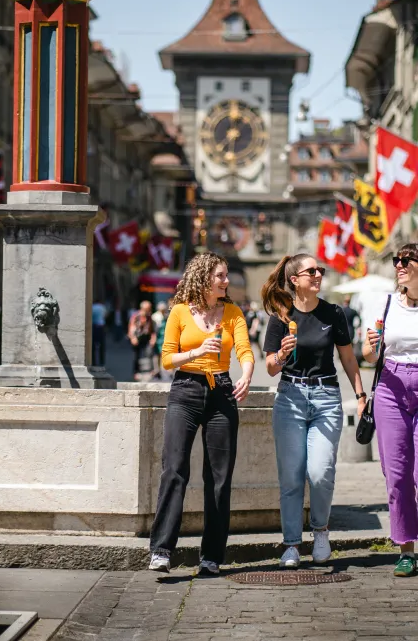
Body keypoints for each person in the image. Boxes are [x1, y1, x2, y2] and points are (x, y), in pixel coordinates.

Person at [149, 252, 254, 575]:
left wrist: (247, 374)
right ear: (204, 278)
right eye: (221, 276)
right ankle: (162, 550)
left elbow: (244, 350)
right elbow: (166, 360)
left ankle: (211, 556)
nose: (226, 281)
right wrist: (196, 351)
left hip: (222, 392)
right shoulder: (180, 311)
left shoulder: (233, 313)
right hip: (185, 391)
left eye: (226, 276)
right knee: (175, 469)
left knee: (219, 478)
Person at [262, 253, 365, 569]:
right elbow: (269, 368)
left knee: (320, 472)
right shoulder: (281, 316)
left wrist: (361, 395)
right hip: (290, 398)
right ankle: (291, 544)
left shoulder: (333, 313)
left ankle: (321, 531)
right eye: (312, 271)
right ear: (295, 279)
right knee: (291, 477)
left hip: (326, 398)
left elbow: (348, 359)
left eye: (320, 270)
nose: (319, 274)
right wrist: (281, 354)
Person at [363, 244, 418, 577]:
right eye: (396, 260)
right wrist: (370, 347)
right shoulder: (385, 303)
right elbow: (371, 356)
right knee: (397, 476)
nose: (398, 265)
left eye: (405, 260)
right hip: (391, 389)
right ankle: (406, 550)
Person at [127, 301, 156, 380]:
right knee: (136, 355)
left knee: (149, 352)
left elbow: (152, 329)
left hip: (146, 337)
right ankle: (136, 372)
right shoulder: (136, 316)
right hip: (137, 338)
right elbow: (131, 327)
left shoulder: (149, 317)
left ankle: (151, 371)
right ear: (143, 308)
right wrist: (133, 338)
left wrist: (153, 338)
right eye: (148, 309)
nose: (149, 310)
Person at [91, 299, 107, 366]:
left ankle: (94, 362)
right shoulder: (102, 307)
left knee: (93, 346)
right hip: (101, 326)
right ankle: (102, 362)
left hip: (94, 326)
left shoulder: (92, 307)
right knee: (102, 345)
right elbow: (105, 315)